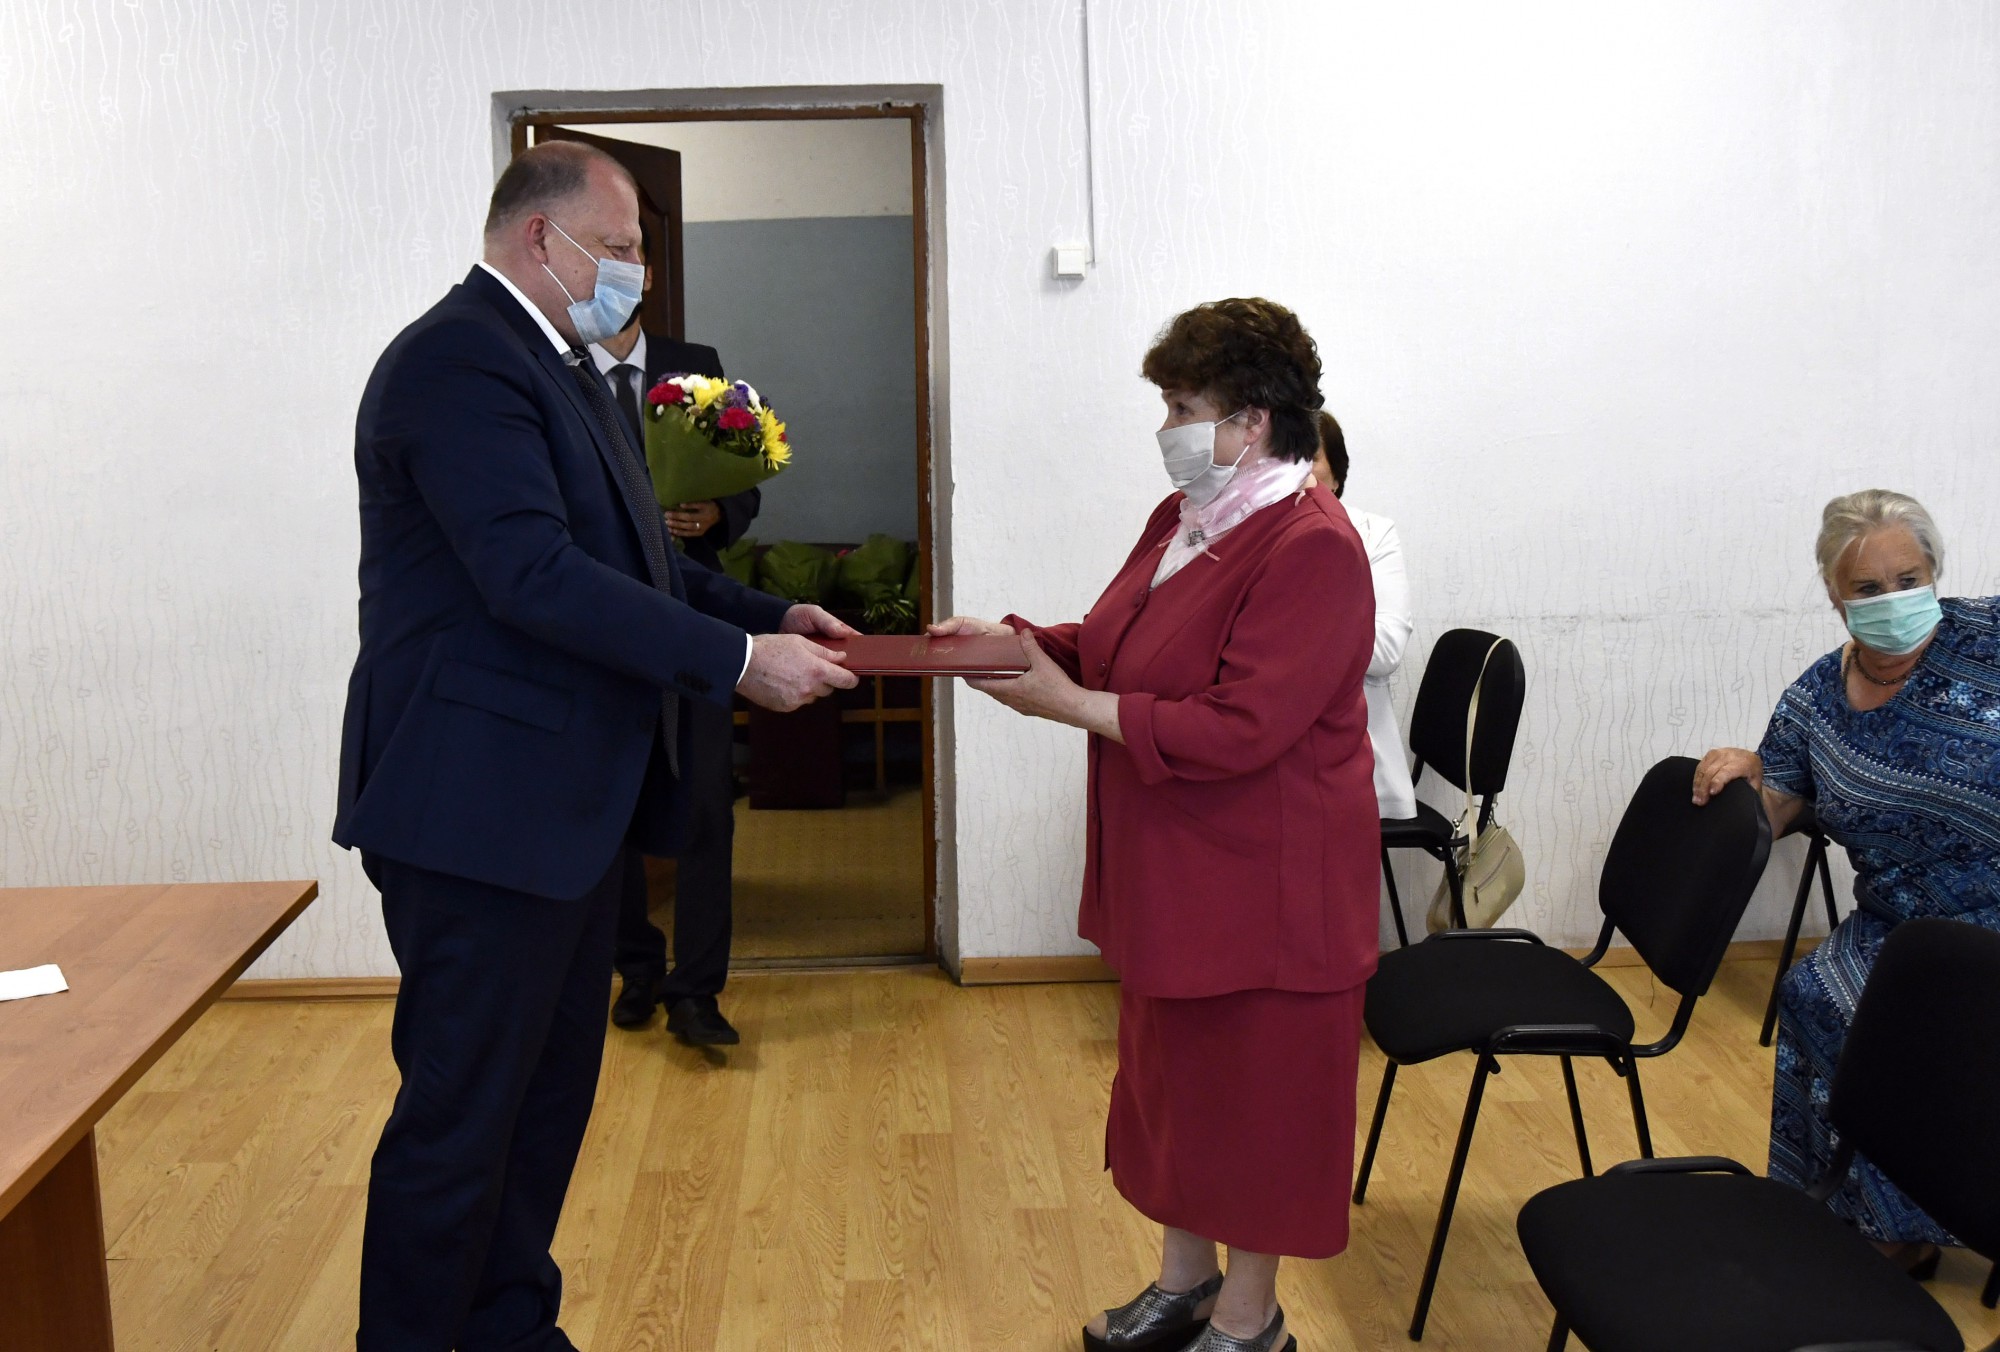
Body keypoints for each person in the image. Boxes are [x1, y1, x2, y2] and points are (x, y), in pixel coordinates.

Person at [333, 140, 858, 1350]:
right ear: (539, 238)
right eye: (618, 250)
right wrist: (734, 665)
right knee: (462, 1118)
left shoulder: (566, 366)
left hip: (560, 814)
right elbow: (529, 575)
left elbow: (639, 561)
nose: (634, 276)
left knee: (545, 1099)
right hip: (477, 811)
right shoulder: (459, 361)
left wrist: (770, 613)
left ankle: (507, 1323)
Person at [933, 298, 1379, 1352]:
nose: (1167, 426)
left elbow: (1240, 723)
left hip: (1269, 884)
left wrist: (1065, 702)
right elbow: (1112, 639)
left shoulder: (1313, 545)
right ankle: (1182, 1279)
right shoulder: (1186, 518)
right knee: (1173, 1085)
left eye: (1184, 407)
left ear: (1252, 422)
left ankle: (1248, 1315)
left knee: (1257, 1105)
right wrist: (1006, 643)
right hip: (1179, 862)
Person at [1692, 488, 2000, 1276]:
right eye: (1868, 588)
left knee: (1927, 1020)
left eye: (1910, 577)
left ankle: (1910, 1226)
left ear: (1936, 572)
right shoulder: (1817, 697)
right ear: (1835, 596)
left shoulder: (1991, 640)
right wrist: (1745, 771)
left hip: (1991, 924)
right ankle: (1854, 1212)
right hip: (1898, 925)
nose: (1893, 599)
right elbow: (1777, 808)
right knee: (1816, 991)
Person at [590, 275, 763, 1046]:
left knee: (704, 805)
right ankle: (637, 968)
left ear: (646, 275)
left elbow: (745, 476)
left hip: (696, 611)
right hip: (604, 618)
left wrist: (716, 512)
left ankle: (697, 990)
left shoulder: (697, 364)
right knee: (611, 803)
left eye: (630, 252)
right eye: (606, 251)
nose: (618, 270)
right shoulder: (558, 365)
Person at [1310, 410, 1416, 820]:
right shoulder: (1245, 535)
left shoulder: (1373, 535)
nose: (1296, 470)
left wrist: (1295, 632)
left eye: (1311, 457)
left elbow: (1385, 649)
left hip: (1354, 759)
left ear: (1336, 476)